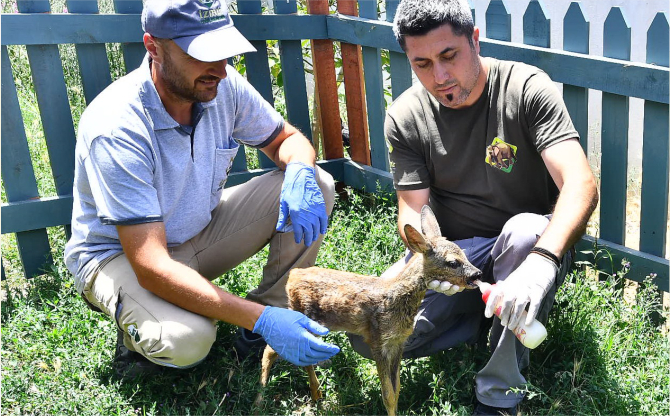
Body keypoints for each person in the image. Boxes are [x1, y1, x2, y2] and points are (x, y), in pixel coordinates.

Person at [63, 0, 340, 379]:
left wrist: (299, 167)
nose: (220, 69)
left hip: (193, 233)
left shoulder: (220, 86)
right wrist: (264, 320)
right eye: (202, 54)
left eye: (225, 52)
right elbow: (150, 265)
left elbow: (286, 140)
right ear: (153, 46)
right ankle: (139, 342)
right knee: (186, 341)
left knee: (317, 183)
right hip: (121, 258)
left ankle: (262, 322)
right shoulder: (116, 126)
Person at [347, 0, 599, 414]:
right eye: (423, 63)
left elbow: (580, 183)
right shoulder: (407, 115)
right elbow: (412, 209)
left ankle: (499, 393)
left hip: (528, 246)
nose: (440, 76)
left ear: (474, 40)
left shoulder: (526, 88)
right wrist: (422, 255)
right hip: (457, 254)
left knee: (521, 236)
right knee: (368, 331)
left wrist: (541, 263)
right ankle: (484, 316)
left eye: (449, 56)